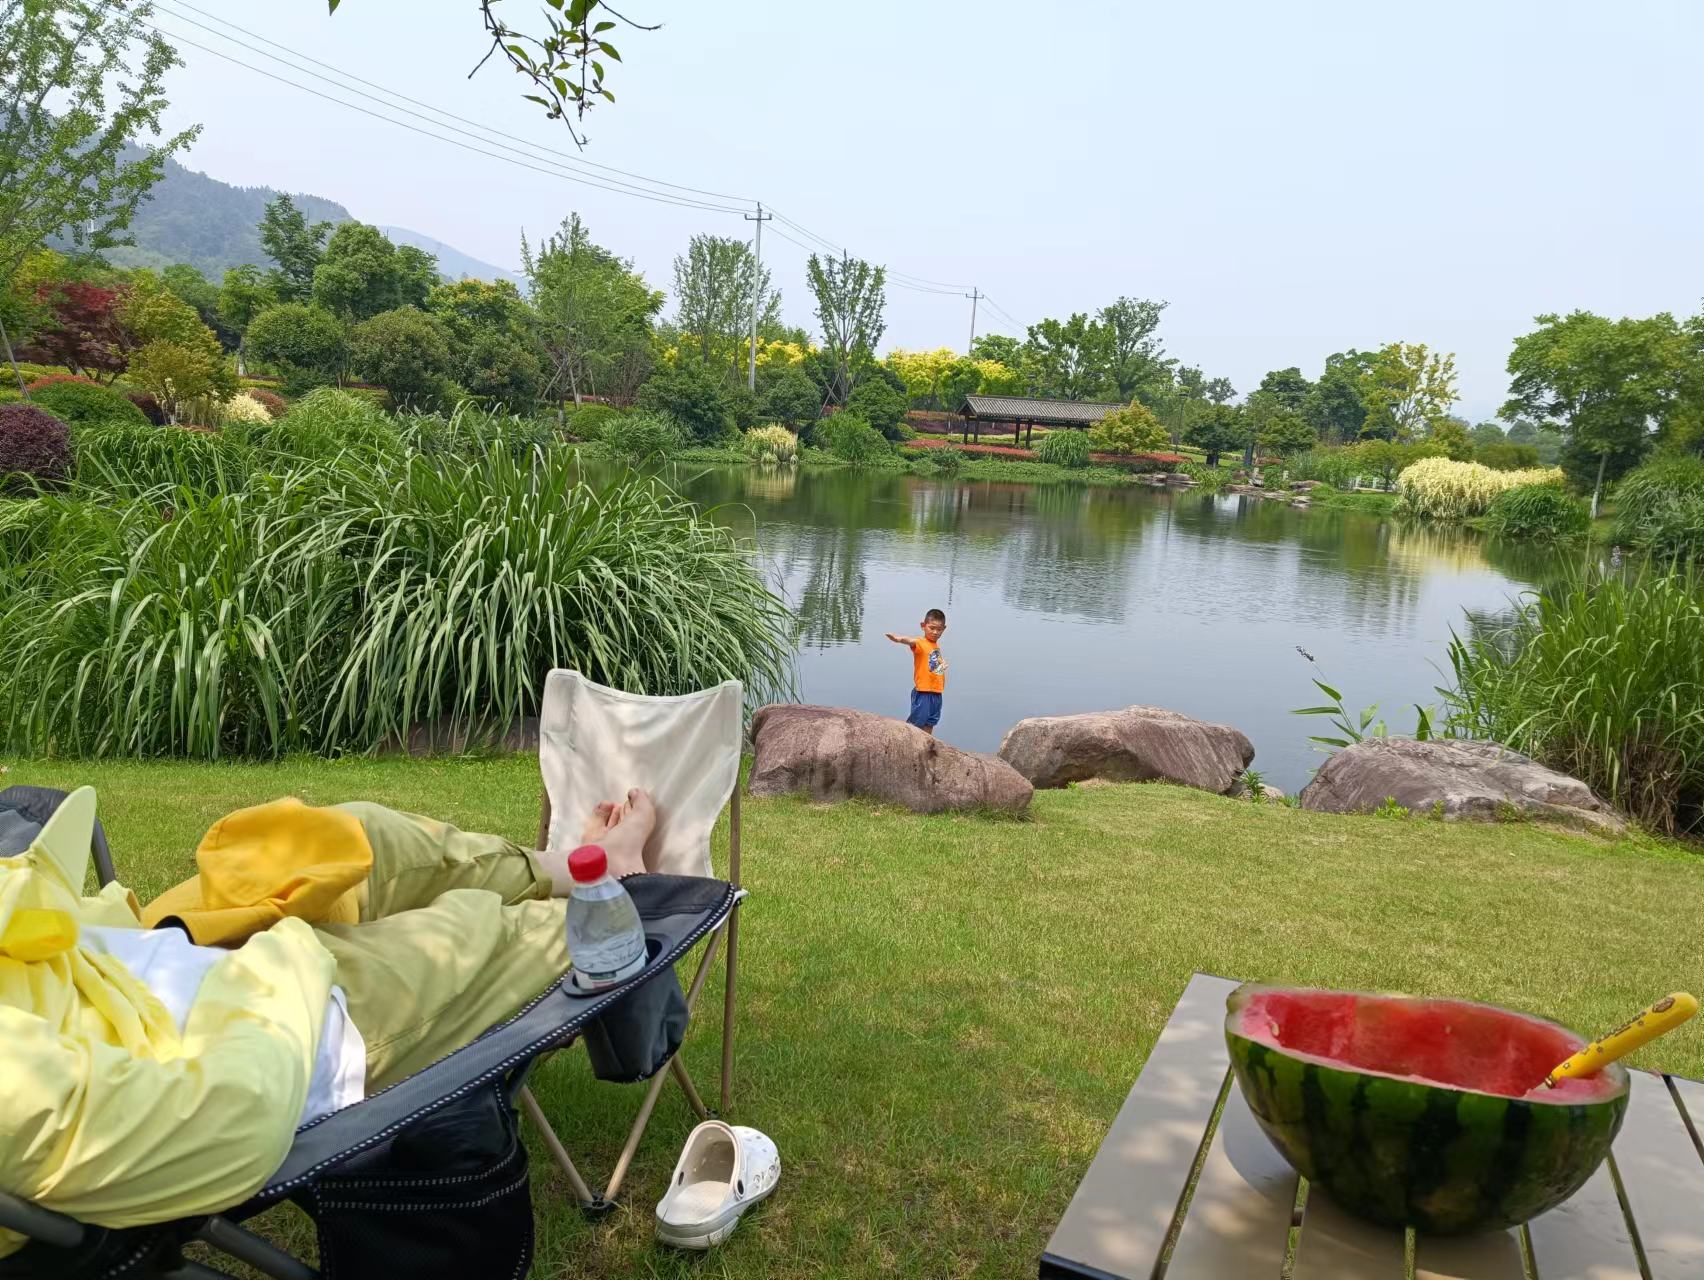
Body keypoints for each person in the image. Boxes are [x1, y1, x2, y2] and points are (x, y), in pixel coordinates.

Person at [0, 785, 656, 1255]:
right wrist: (283, 959)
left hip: (104, 955)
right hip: (251, 1028)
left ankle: (576, 864)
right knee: (477, 931)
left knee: (352, 835)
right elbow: (226, 1126)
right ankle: (620, 888)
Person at [885, 607, 948, 736]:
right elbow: (910, 641)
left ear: (944, 629)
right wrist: (899, 639)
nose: (935, 632)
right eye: (932, 628)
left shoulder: (935, 646)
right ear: (923, 626)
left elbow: (931, 668)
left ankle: (927, 744)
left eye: (939, 629)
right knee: (917, 722)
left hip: (936, 692)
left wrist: (941, 667)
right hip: (924, 691)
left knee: (931, 722)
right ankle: (906, 742)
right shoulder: (921, 642)